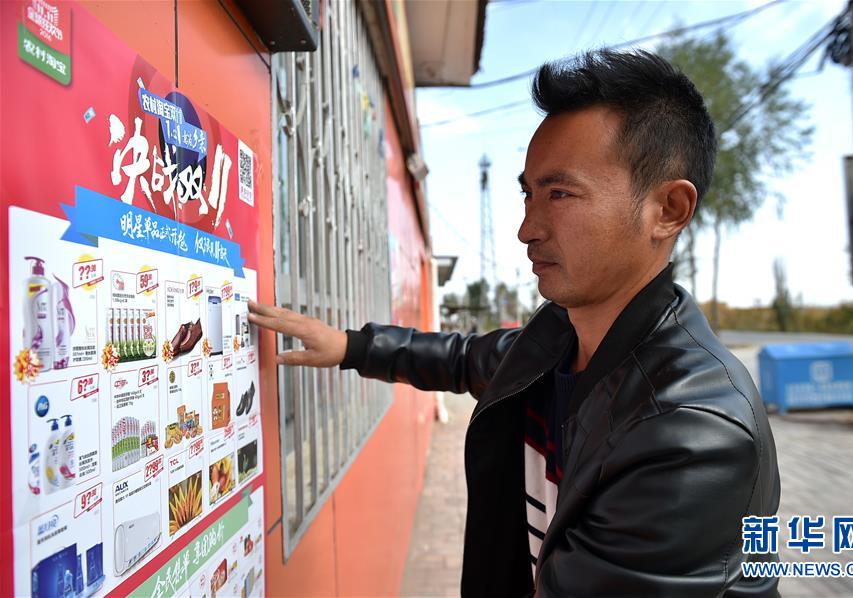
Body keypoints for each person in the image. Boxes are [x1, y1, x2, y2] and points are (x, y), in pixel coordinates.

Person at [249, 49, 780, 597]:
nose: (527, 229)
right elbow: (464, 359)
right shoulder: (558, 338)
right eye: (529, 193)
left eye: (560, 193)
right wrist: (348, 346)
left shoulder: (691, 431)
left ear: (667, 209)